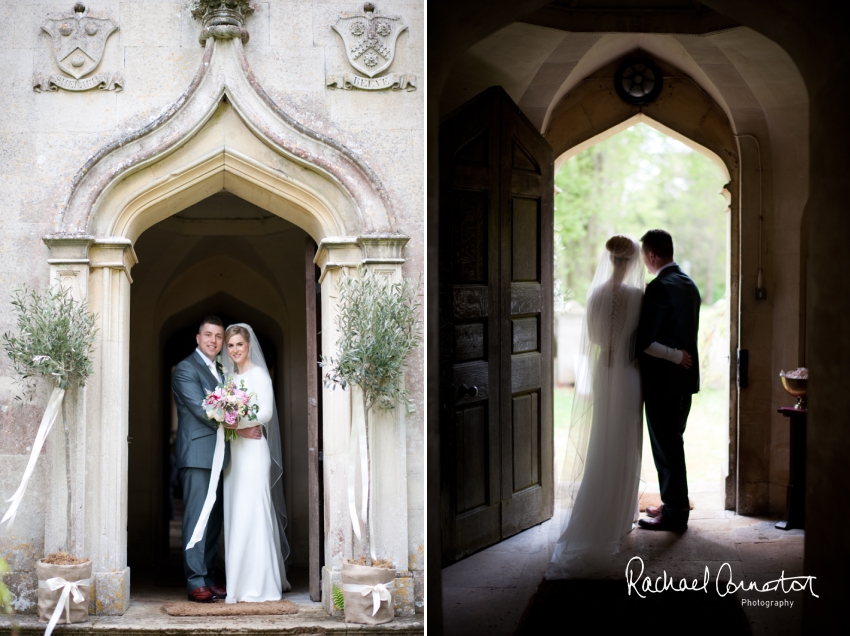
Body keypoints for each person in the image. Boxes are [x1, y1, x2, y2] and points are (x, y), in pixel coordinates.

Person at [547, 234, 691, 579]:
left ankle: (600, 505)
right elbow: (641, 338)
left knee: (603, 435)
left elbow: (596, 338)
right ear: (631, 261)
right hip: (629, 371)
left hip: (604, 369)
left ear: (609, 259)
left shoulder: (595, 295)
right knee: (628, 437)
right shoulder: (637, 295)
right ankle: (623, 509)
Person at [636, 229, 700, 532]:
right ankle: (672, 502)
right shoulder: (689, 283)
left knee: (667, 448)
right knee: (673, 444)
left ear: (650, 255)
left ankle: (675, 515)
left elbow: (644, 341)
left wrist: (674, 355)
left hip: (663, 383)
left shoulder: (659, 288)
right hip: (684, 383)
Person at [221, 323, 291, 602]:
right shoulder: (227, 381)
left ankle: (263, 583)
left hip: (254, 451)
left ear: (249, 345)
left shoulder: (259, 374)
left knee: (255, 511)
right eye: (231, 345)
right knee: (236, 513)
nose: (235, 350)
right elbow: (222, 419)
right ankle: (237, 583)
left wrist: (240, 420)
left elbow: (266, 412)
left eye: (239, 344)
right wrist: (234, 426)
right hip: (235, 452)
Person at [172, 316, 230, 603]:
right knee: (197, 520)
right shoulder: (185, 368)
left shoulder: (220, 370)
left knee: (214, 520)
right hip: (197, 455)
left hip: (220, 455)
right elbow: (200, 409)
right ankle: (195, 580)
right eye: (208, 335)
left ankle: (208, 577)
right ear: (198, 338)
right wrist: (238, 423)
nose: (213, 341)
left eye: (218, 337)